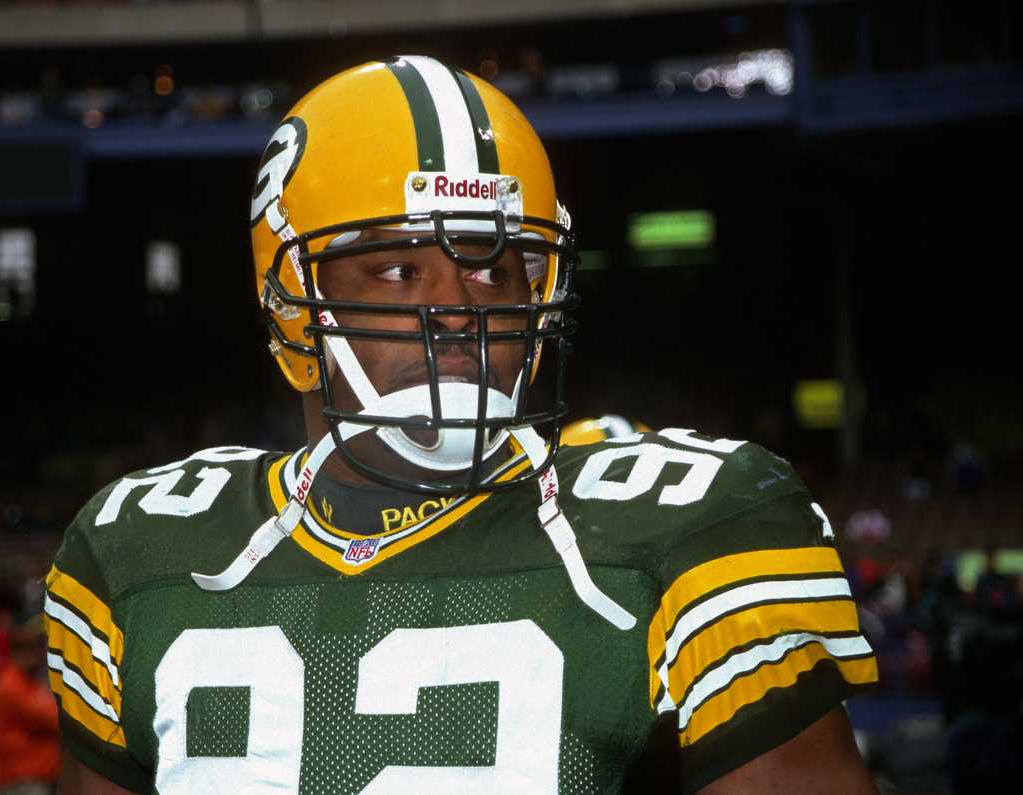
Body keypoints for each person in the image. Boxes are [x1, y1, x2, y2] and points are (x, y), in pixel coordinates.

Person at [45, 56, 878, 794]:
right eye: (399, 267)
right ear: (294, 307)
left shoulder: (695, 530)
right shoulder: (136, 552)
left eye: (493, 263)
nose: (454, 305)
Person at [0, 621, 61, 794]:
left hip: (36, 778)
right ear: (20, 652)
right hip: (23, 783)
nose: (41, 655)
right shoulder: (11, 685)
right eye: (36, 649)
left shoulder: (28, 681)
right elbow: (58, 720)